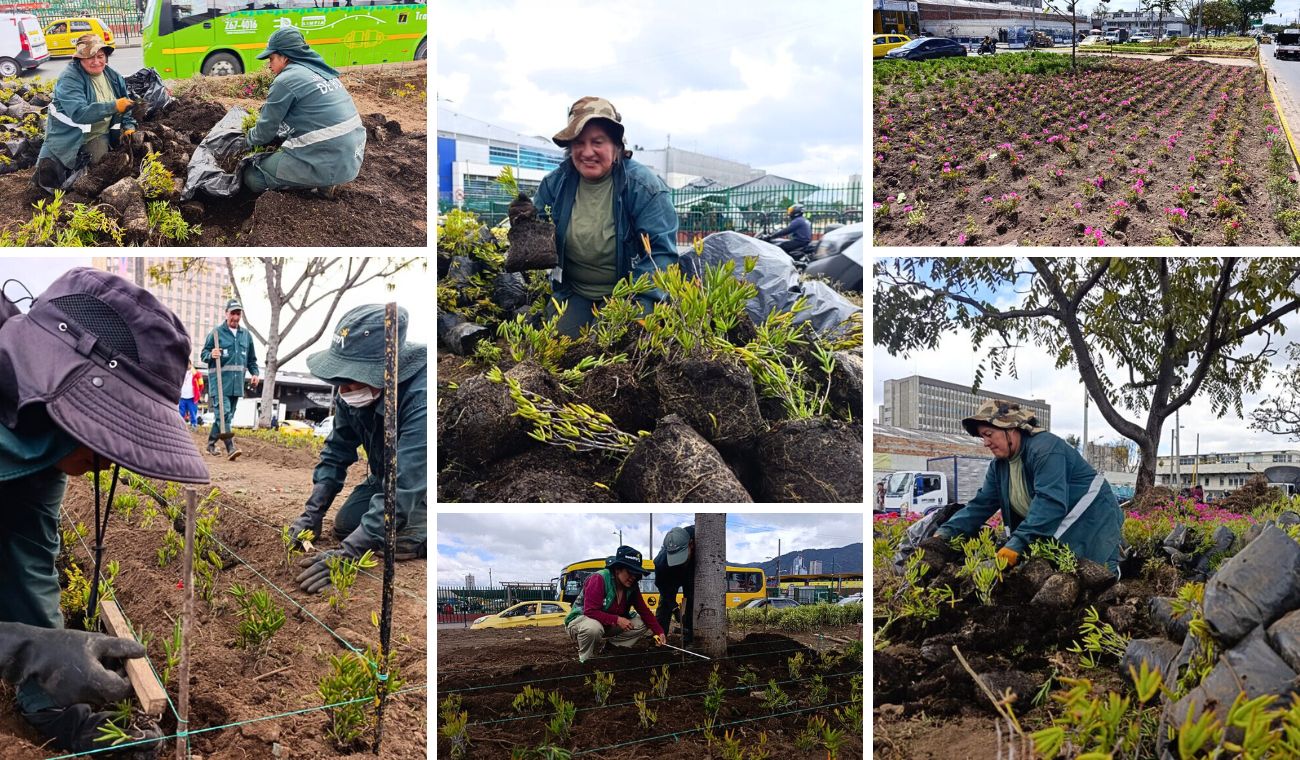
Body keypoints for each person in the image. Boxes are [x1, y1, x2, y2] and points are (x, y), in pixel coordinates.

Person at [0, 267, 209, 754]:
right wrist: (25, 649)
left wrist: (49, 703)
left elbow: (25, 555)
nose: (110, 459)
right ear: (60, 383)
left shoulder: (45, 437)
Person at [290, 304, 427, 594]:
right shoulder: (349, 393)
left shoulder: (420, 396)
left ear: (384, 372)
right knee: (347, 524)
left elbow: (406, 482)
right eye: (339, 381)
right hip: (382, 477)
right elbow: (336, 451)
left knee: (393, 539)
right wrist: (312, 513)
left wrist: (350, 553)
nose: (344, 391)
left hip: (422, 485)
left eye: (352, 381)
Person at [530, 96, 680, 337]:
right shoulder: (555, 184)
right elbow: (535, 238)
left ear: (616, 145)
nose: (587, 152)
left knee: (611, 348)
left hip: (630, 294)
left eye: (597, 142)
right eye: (579, 143)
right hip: (575, 292)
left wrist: (636, 306)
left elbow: (661, 256)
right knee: (557, 348)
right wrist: (523, 226)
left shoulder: (644, 188)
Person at [920, 399, 1124, 575]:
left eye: (989, 434)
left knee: (1098, 573)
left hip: (1094, 515)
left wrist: (1016, 544)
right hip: (1061, 520)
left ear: (1011, 429)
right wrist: (945, 533)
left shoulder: (1045, 449)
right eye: (983, 436)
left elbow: (1049, 501)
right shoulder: (999, 466)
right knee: (1049, 570)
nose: (985, 442)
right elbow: (981, 504)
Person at [241, 26, 366, 196]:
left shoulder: (285, 80)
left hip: (326, 160)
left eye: (271, 58)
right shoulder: (321, 71)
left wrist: (245, 141)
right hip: (351, 158)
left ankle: (310, 186)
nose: (269, 65)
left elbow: (264, 132)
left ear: (284, 57)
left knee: (253, 176)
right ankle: (324, 182)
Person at [33, 35, 137, 194]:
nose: (96, 61)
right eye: (90, 57)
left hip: (99, 133)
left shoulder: (112, 76)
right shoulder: (69, 78)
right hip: (68, 135)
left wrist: (129, 125)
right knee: (47, 180)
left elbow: (126, 103)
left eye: (100, 56)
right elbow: (79, 113)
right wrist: (114, 105)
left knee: (101, 170)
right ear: (79, 59)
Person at [563, 546, 666, 663]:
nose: (633, 577)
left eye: (637, 574)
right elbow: (590, 611)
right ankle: (586, 661)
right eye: (630, 572)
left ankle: (611, 648)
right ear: (617, 569)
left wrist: (659, 631)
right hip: (582, 620)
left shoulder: (632, 587)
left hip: (607, 624)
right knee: (593, 628)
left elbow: (644, 611)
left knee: (642, 622)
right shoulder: (599, 579)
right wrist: (617, 620)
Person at [200, 299, 260, 460]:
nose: (235, 317)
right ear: (226, 313)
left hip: (236, 385)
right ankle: (230, 448)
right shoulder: (216, 333)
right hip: (219, 383)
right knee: (224, 414)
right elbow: (203, 354)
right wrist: (211, 354)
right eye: (232, 313)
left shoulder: (246, 336)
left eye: (238, 313)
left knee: (225, 417)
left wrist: (255, 373)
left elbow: (251, 360)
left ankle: (211, 444)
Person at [653, 525, 695, 645]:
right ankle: (659, 639)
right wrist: (674, 607)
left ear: (691, 544)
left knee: (692, 601)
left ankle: (690, 638)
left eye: (681, 557)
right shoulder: (661, 563)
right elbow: (662, 587)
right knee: (664, 605)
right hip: (670, 576)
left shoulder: (699, 535)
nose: (679, 563)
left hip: (692, 572)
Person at [179, 363, 201, 430]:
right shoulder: (181, 371)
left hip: (192, 397)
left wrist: (197, 393)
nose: (187, 365)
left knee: (193, 412)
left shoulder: (195, 373)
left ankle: (194, 425)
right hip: (182, 396)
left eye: (188, 363)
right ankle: (180, 426)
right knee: (180, 413)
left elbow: (201, 384)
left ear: (191, 364)